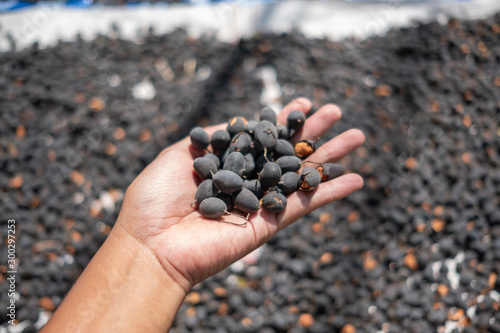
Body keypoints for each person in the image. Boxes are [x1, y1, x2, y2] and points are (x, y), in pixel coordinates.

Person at [41, 98, 365, 332]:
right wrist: (148, 252)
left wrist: (147, 258)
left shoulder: (254, 172)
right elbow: (235, 162)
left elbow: (253, 165)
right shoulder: (225, 180)